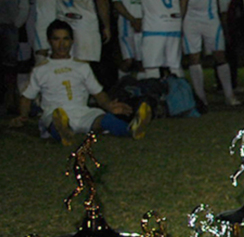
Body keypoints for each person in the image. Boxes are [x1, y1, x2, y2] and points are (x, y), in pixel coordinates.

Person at [10, 20, 151, 144]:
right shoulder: (41, 69)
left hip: (82, 112)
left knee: (104, 119)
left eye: (65, 39)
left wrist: (109, 105)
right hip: (55, 113)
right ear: (49, 41)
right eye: (56, 39)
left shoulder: (82, 66)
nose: (61, 44)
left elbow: (98, 92)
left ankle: (132, 129)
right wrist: (22, 116)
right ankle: (64, 133)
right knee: (56, 121)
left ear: (72, 41)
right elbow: (26, 97)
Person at [111, 0, 144, 79]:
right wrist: (132, 19)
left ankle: (143, 90)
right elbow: (117, 2)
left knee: (143, 62)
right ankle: (122, 85)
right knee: (128, 61)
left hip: (144, 26)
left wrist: (142, 20)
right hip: (126, 27)